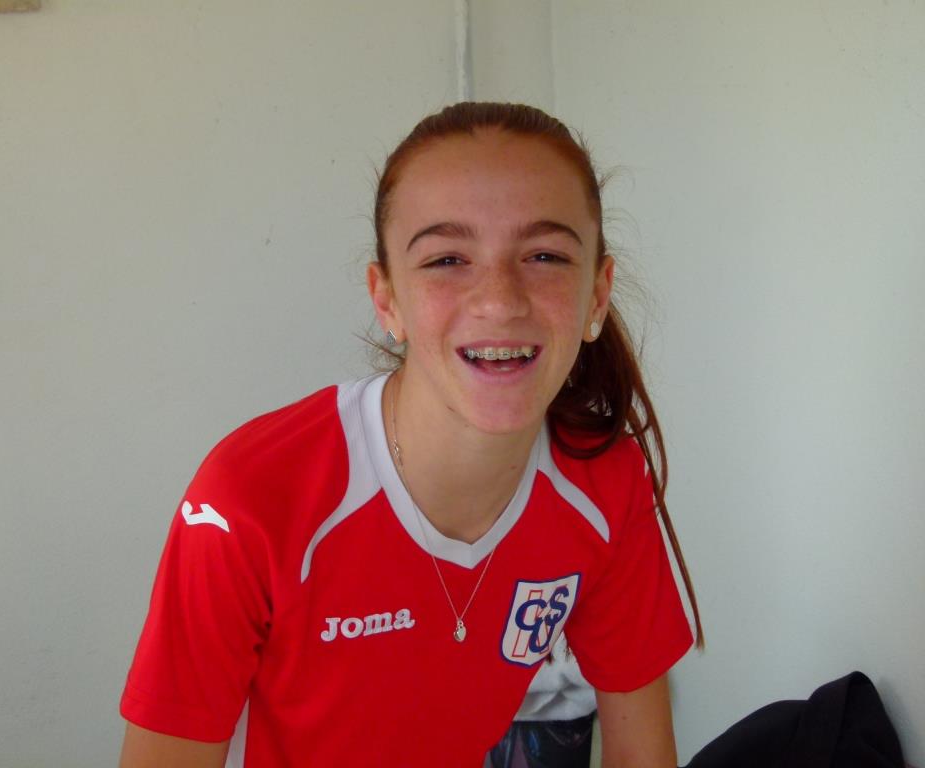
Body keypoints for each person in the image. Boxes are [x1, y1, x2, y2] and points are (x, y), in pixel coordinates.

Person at [118, 102, 703, 768]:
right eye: (447, 259)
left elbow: (641, 750)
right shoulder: (250, 497)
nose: (499, 299)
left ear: (597, 296)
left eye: (545, 255)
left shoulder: (605, 480)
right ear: (386, 299)